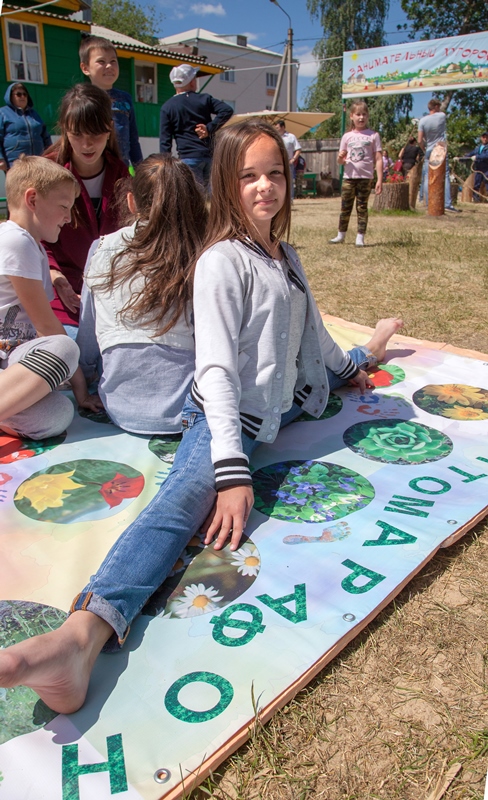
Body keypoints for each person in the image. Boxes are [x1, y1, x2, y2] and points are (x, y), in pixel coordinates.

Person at [0, 119, 403, 714]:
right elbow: (214, 370)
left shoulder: (287, 257)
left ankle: (377, 342)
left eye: (275, 173)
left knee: (342, 370)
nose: (265, 186)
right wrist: (232, 470)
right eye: (248, 176)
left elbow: (316, 341)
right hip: (224, 411)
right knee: (187, 494)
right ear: (224, 184)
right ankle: (81, 636)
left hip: (280, 404)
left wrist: (360, 359)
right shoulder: (220, 261)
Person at [77, 154, 206, 433]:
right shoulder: (205, 252)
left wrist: (82, 379)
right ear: (193, 202)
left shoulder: (101, 248)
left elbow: (87, 332)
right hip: (190, 408)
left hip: (119, 408)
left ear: (131, 202)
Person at [0, 156, 102, 439]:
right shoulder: (16, 240)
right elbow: (47, 327)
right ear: (32, 199)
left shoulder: (31, 245)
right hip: (7, 358)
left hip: (11, 362)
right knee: (65, 347)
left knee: (57, 414)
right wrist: (81, 389)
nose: (68, 218)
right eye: (64, 207)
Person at [44, 84, 128, 339]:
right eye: (77, 134)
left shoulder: (120, 173)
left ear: (109, 129)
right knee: (71, 349)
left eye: (95, 133)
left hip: (111, 295)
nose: (87, 144)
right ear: (64, 130)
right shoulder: (48, 171)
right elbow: (33, 236)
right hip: (61, 293)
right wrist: (54, 274)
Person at [159, 63, 233, 188]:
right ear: (192, 82)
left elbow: (165, 142)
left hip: (187, 158)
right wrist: (209, 128)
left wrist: (165, 166)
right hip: (210, 156)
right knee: (213, 197)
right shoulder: (204, 99)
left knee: (194, 197)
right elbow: (227, 110)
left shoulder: (167, 107)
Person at [80, 35, 143, 169]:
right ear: (85, 68)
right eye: (101, 61)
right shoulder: (82, 99)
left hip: (122, 168)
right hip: (94, 170)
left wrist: (140, 169)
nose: (109, 66)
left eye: (113, 61)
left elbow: (133, 140)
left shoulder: (125, 98)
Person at [330, 101, 382, 247]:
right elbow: (340, 161)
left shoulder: (373, 135)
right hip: (349, 177)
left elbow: (378, 158)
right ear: (351, 116)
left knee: (362, 207)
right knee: (345, 207)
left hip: (365, 178)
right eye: (358, 114)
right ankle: (341, 235)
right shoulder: (347, 136)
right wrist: (340, 158)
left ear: (368, 116)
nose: (361, 117)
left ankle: (360, 237)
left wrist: (379, 179)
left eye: (364, 114)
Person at [418, 98, 460, 212]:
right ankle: (447, 204)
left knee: (427, 176)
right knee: (444, 175)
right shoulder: (442, 116)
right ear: (436, 106)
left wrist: (424, 148)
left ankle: (429, 203)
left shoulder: (422, 121)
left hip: (429, 150)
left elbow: (420, 140)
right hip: (440, 149)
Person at [0, 83, 52, 171]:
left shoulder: (34, 114)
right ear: (10, 97)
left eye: (25, 94)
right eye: (19, 94)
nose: (22, 97)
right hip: (15, 162)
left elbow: (45, 136)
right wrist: (0, 158)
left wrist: (51, 153)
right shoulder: (3, 113)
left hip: (38, 161)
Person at [454, 131, 488, 202]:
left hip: (486, 169)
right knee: (476, 184)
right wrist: (459, 159)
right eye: (484, 137)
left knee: (487, 183)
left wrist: (477, 157)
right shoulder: (477, 148)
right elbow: (469, 155)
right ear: (481, 138)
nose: (485, 139)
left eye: (486, 137)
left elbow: (486, 156)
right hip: (478, 169)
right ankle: (476, 200)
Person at [274, 120, 301, 200]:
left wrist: (293, 159)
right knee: (277, 181)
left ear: (283, 127)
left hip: (288, 162)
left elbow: (298, 149)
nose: (276, 129)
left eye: (277, 127)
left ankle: (290, 200)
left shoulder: (291, 137)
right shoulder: (274, 137)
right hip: (277, 163)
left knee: (289, 181)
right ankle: (279, 199)